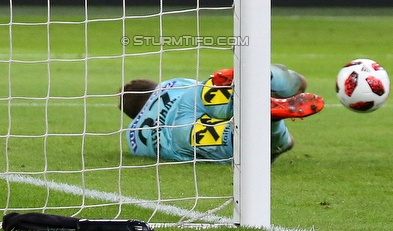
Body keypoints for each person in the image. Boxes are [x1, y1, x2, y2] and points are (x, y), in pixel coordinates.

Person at [120, 64, 324, 164]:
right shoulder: (169, 85)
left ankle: (276, 129)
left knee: (239, 145)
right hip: (188, 100)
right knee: (210, 94)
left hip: (179, 141)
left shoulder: (133, 137)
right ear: (154, 88)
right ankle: (273, 78)